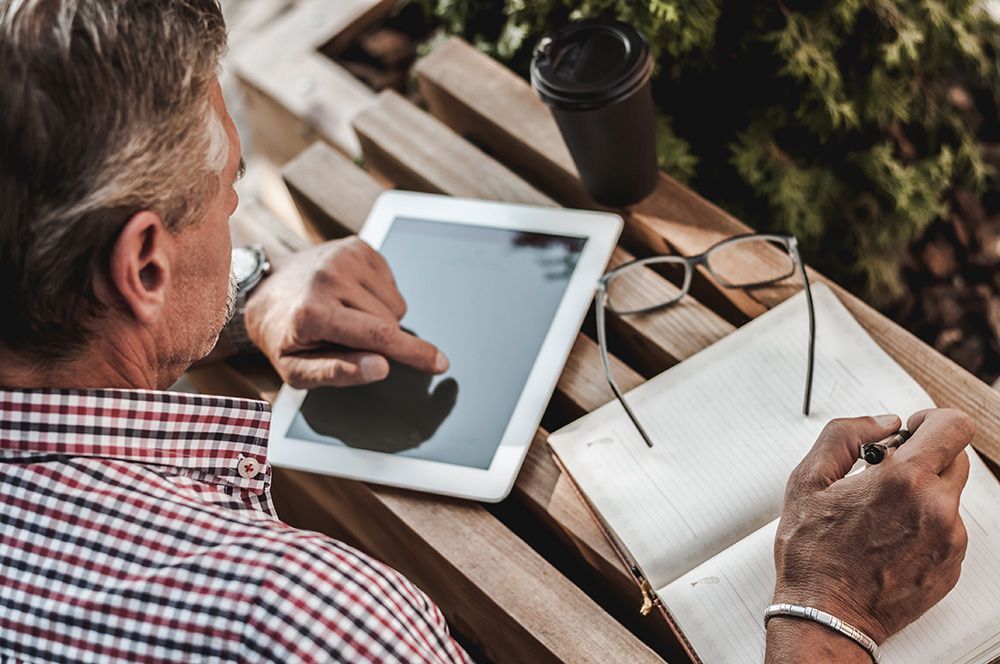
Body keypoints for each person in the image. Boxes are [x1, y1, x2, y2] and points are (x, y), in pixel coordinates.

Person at [0, 1, 972, 662]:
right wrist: (828, 608)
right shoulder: (314, 622)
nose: (234, 208)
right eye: (225, 195)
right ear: (141, 267)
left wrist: (246, 285)